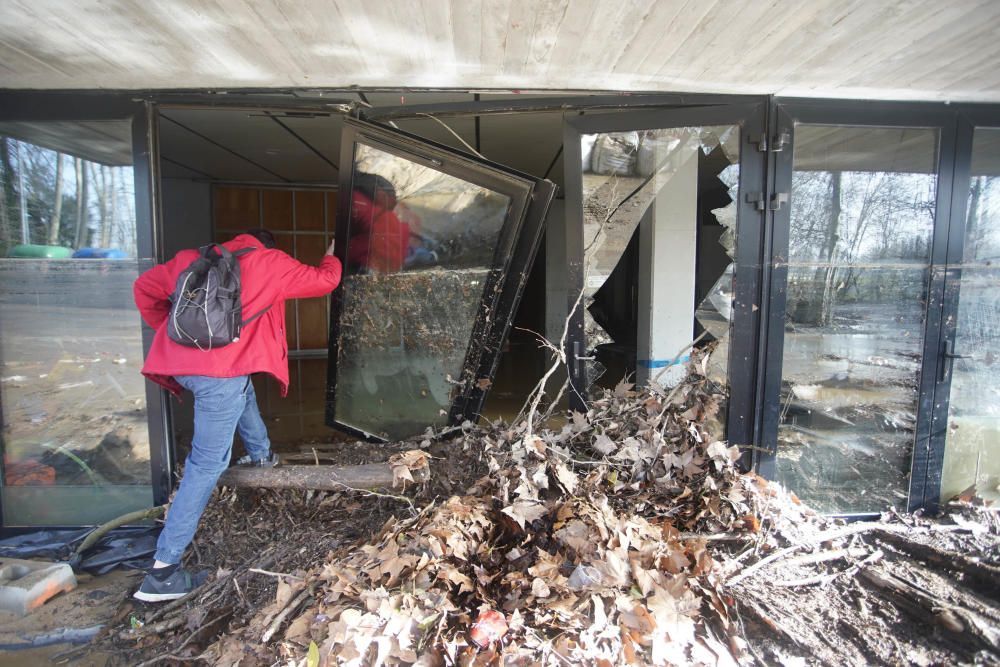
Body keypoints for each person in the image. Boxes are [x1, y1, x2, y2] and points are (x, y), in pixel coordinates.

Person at [131, 229, 341, 601]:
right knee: (206, 464)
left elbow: (144, 288)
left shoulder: (190, 259)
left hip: (185, 365)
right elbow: (326, 280)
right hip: (219, 376)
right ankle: (163, 572)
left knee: (240, 389)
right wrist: (332, 254)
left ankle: (261, 456)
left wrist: (176, 335)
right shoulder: (269, 262)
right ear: (269, 246)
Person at [347, 172, 410, 274]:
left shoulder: (377, 214)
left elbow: (351, 248)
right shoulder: (384, 217)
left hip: (362, 268)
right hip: (371, 271)